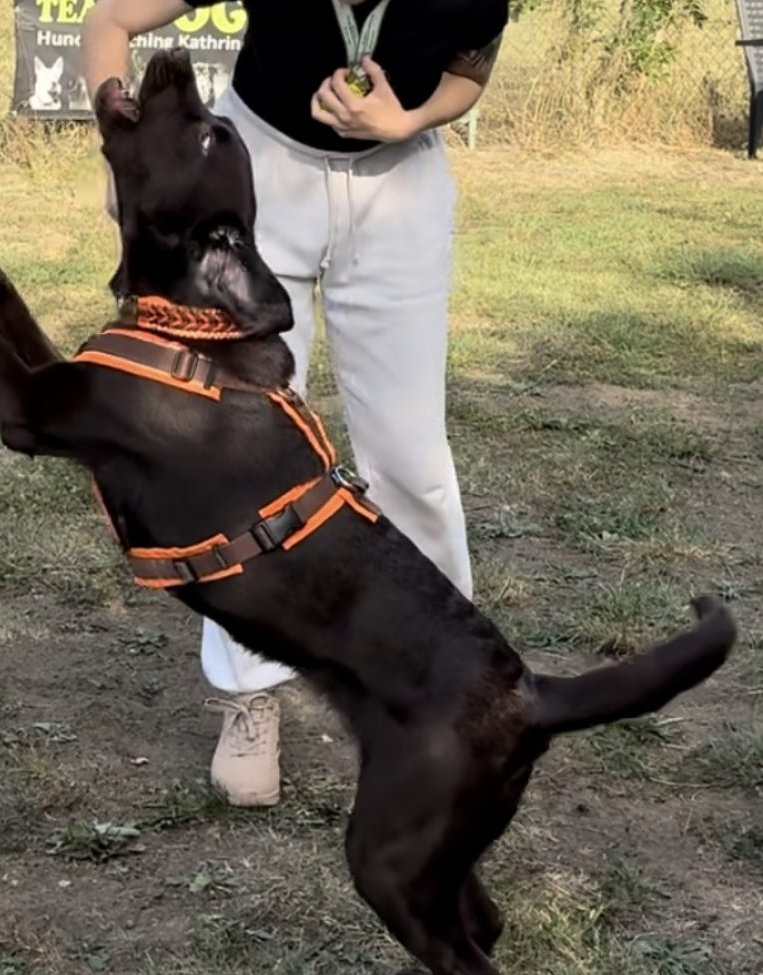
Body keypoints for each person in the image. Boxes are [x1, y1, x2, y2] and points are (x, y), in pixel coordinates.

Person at [83, 0, 507, 806]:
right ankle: (250, 695)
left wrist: (408, 115)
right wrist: (121, 154)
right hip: (259, 181)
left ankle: (451, 684)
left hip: (402, 183)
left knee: (411, 458)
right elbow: (107, 21)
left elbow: (468, 72)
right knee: (242, 452)